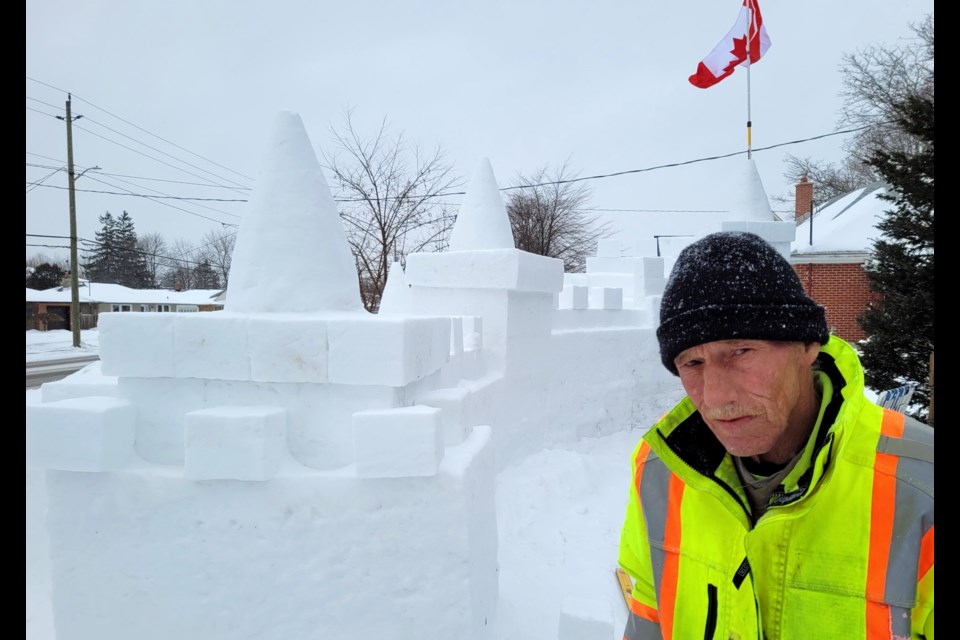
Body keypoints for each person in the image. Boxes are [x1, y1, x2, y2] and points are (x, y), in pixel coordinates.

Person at [617, 231, 934, 639]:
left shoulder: (920, 484)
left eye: (741, 351)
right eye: (692, 362)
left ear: (808, 345)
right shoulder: (659, 471)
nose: (715, 398)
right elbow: (647, 616)